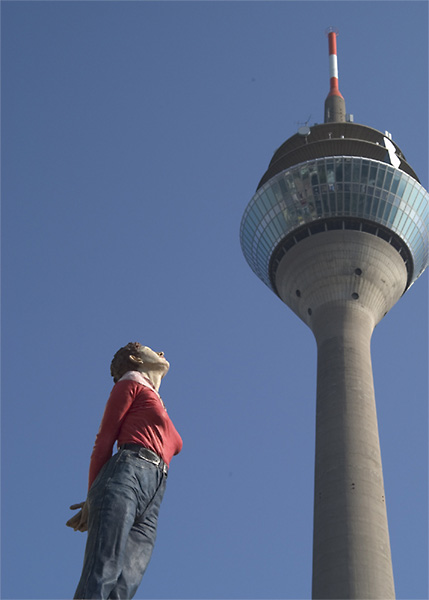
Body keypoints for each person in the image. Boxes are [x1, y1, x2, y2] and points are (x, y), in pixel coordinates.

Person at [67, 342, 183, 599]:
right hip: (126, 475)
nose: (161, 353)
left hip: (154, 493)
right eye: (152, 349)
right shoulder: (129, 385)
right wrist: (91, 496)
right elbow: (103, 442)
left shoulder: (155, 400)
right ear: (136, 358)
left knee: (125, 586)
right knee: (102, 572)